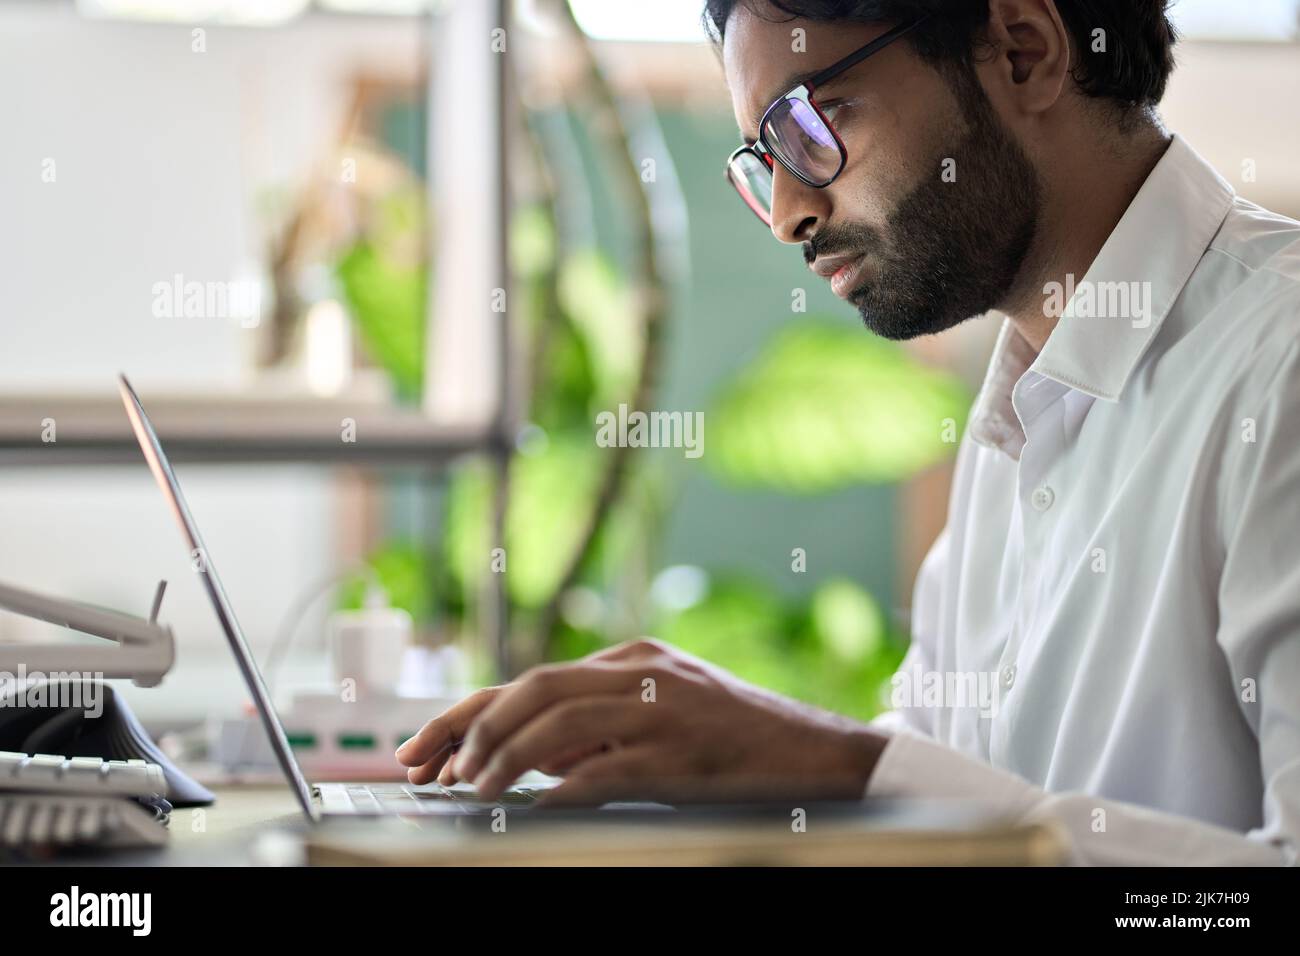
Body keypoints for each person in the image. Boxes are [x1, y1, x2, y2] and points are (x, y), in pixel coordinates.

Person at [397, 0, 1300, 865]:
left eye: (813, 124)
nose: (790, 212)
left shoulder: (1280, 365)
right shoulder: (1024, 411)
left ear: (1023, 49)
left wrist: (832, 765)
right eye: (765, 155)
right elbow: (941, 788)